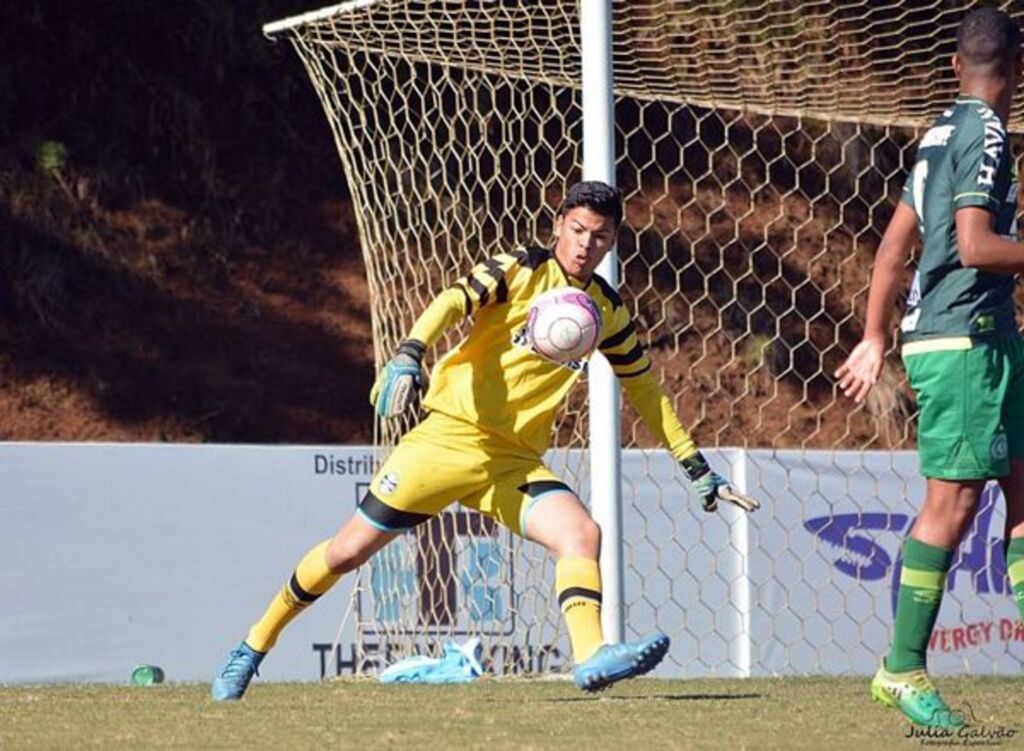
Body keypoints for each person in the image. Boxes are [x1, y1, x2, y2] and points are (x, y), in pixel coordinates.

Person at [211, 180, 759, 701]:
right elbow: (452, 300)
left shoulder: (606, 311)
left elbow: (644, 389)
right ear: (558, 226)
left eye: (600, 237)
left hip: (512, 462)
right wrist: (410, 351)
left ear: (612, 241)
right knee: (344, 553)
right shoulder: (521, 268)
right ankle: (253, 644)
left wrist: (694, 466)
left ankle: (591, 657)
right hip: (446, 440)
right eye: (578, 230)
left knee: (581, 533)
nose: (586, 245)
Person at [836, 8, 1024, 730]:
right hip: (963, 341)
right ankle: (901, 666)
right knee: (954, 504)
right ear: (1016, 70)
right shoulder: (986, 134)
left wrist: (874, 334)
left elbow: (891, 248)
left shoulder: (940, 131)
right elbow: (975, 248)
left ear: (953, 64)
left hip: (985, 335)